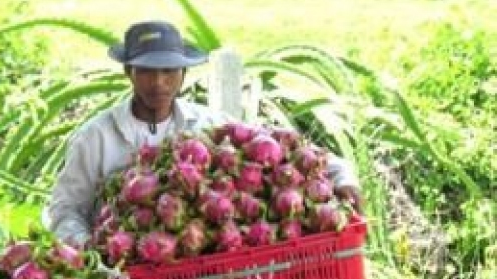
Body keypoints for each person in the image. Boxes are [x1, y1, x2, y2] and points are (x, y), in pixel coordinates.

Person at [45, 20, 364, 247]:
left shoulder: (211, 125)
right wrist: (90, 248)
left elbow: (284, 150)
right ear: (129, 72)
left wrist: (344, 179)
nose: (159, 83)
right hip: (129, 276)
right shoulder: (95, 138)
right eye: (146, 72)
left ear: (184, 73)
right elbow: (64, 210)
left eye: (169, 71)